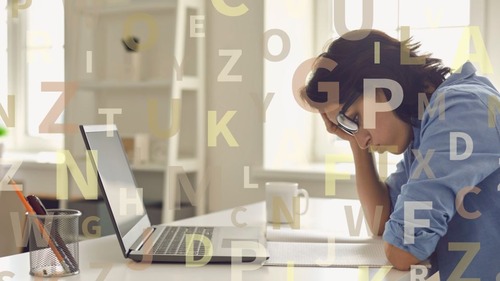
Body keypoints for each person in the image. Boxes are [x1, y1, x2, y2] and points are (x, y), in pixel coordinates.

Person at [298, 29, 500, 279]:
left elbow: (404, 251)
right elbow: (380, 220)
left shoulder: (461, 111)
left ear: (381, 82)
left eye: (356, 118)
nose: (363, 142)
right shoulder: (423, 127)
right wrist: (353, 138)